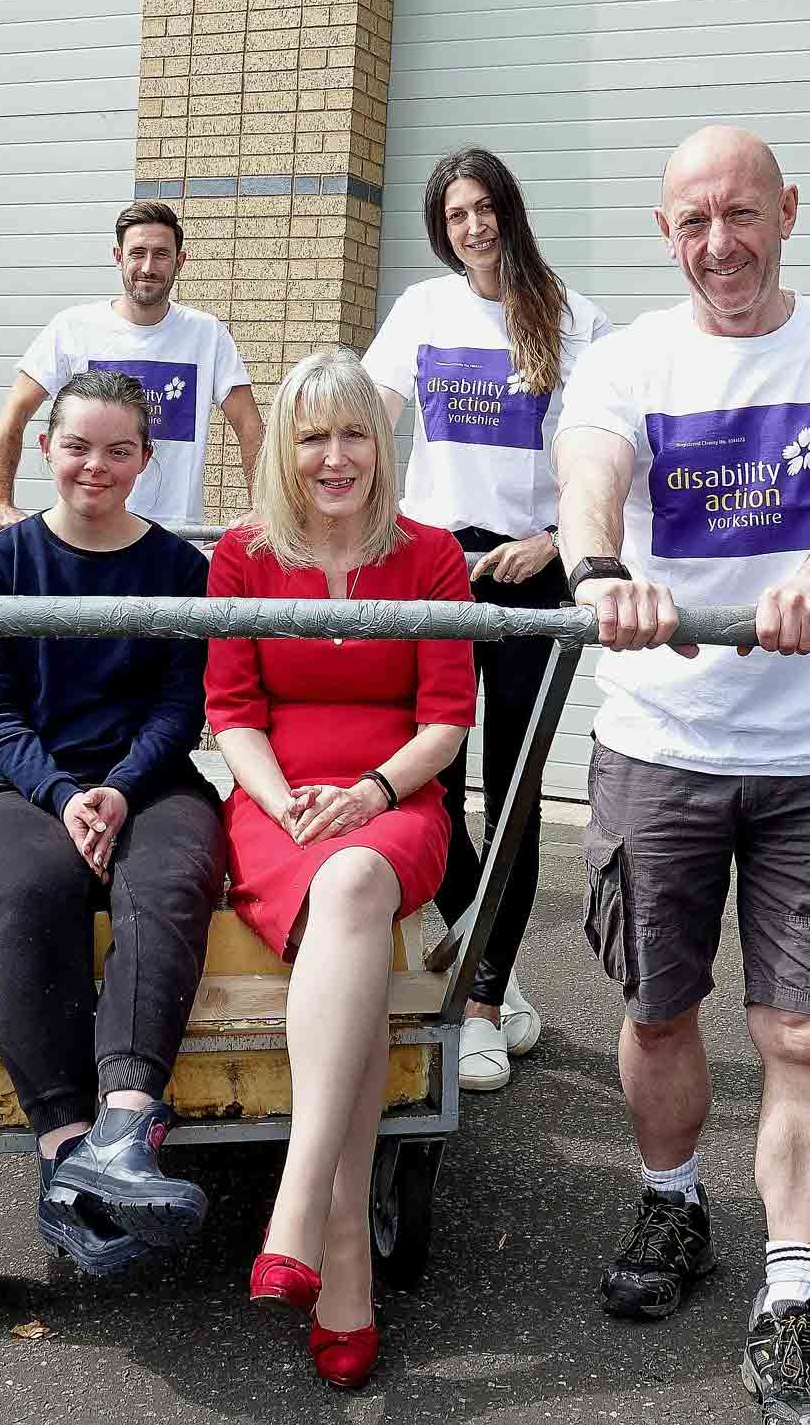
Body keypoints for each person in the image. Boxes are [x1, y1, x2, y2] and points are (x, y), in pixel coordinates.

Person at [554, 125, 810, 1425]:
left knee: (808, 1033)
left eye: (743, 214)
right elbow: (590, 478)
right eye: (694, 221)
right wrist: (602, 572)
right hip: (660, 741)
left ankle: (792, 1305)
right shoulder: (628, 360)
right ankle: (671, 1203)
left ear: (788, 211)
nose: (722, 243)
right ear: (667, 235)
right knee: (658, 1010)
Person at [206, 348, 475, 1389]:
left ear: (381, 442)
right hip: (274, 799)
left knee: (357, 882)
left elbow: (446, 720)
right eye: (311, 435)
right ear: (284, 447)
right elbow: (230, 712)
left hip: (393, 799)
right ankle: (343, 1246)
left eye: (352, 432)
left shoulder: (430, 556)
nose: (333, 456)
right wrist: (283, 805)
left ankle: (295, 1204)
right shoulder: (240, 554)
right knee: (339, 902)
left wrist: (366, 794)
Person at [0, 369, 224, 1275]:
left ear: (145, 459)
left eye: (117, 450)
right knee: (38, 883)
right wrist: (66, 796)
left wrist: (121, 789)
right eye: (76, 446)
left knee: (168, 878)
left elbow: (184, 706)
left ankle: (127, 1129)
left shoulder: (182, 571)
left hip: (150, 780)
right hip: (16, 788)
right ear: (44, 450)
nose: (94, 466)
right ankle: (65, 1151)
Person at [363, 145, 612, 1092]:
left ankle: (477, 1003)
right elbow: (372, 415)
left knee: (512, 792)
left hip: (529, 574)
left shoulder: (575, 318)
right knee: (430, 777)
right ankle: (478, 957)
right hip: (438, 568)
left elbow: (604, 456)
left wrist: (554, 540)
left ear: (510, 209)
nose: (472, 226)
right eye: (454, 213)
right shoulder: (422, 310)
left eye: (484, 208)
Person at [0, 200, 261, 531]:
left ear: (180, 262)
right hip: (84, 532)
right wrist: (0, 501)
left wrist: (264, 508)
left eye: (161, 254)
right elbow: (14, 412)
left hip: (172, 535)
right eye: (137, 253)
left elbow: (250, 425)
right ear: (118, 257)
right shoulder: (73, 327)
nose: (148, 266)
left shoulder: (207, 334)